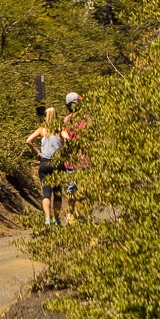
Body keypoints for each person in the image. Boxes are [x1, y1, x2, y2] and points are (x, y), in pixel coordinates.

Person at [25, 106, 64, 225]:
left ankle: (47, 218)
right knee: (57, 192)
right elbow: (67, 138)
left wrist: (38, 153)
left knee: (46, 192)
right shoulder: (60, 129)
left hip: (45, 163)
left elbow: (28, 141)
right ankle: (56, 219)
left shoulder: (41, 130)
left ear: (45, 118)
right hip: (57, 163)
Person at [60, 91, 89, 225]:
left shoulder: (66, 120)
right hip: (84, 160)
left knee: (71, 189)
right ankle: (80, 214)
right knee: (83, 190)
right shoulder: (87, 119)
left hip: (70, 161)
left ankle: (71, 214)